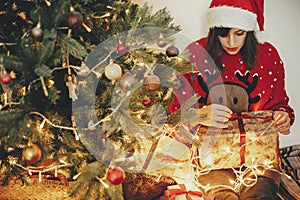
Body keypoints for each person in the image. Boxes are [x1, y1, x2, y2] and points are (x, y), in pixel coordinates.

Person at [167, 0, 295, 199]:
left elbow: (280, 105)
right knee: (222, 196)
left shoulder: (268, 55)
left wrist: (283, 117)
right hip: (210, 162)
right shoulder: (195, 54)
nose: (232, 42)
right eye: (224, 34)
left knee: (260, 195)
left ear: (250, 30)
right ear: (214, 29)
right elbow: (173, 114)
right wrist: (200, 114)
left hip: (259, 161)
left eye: (239, 33)